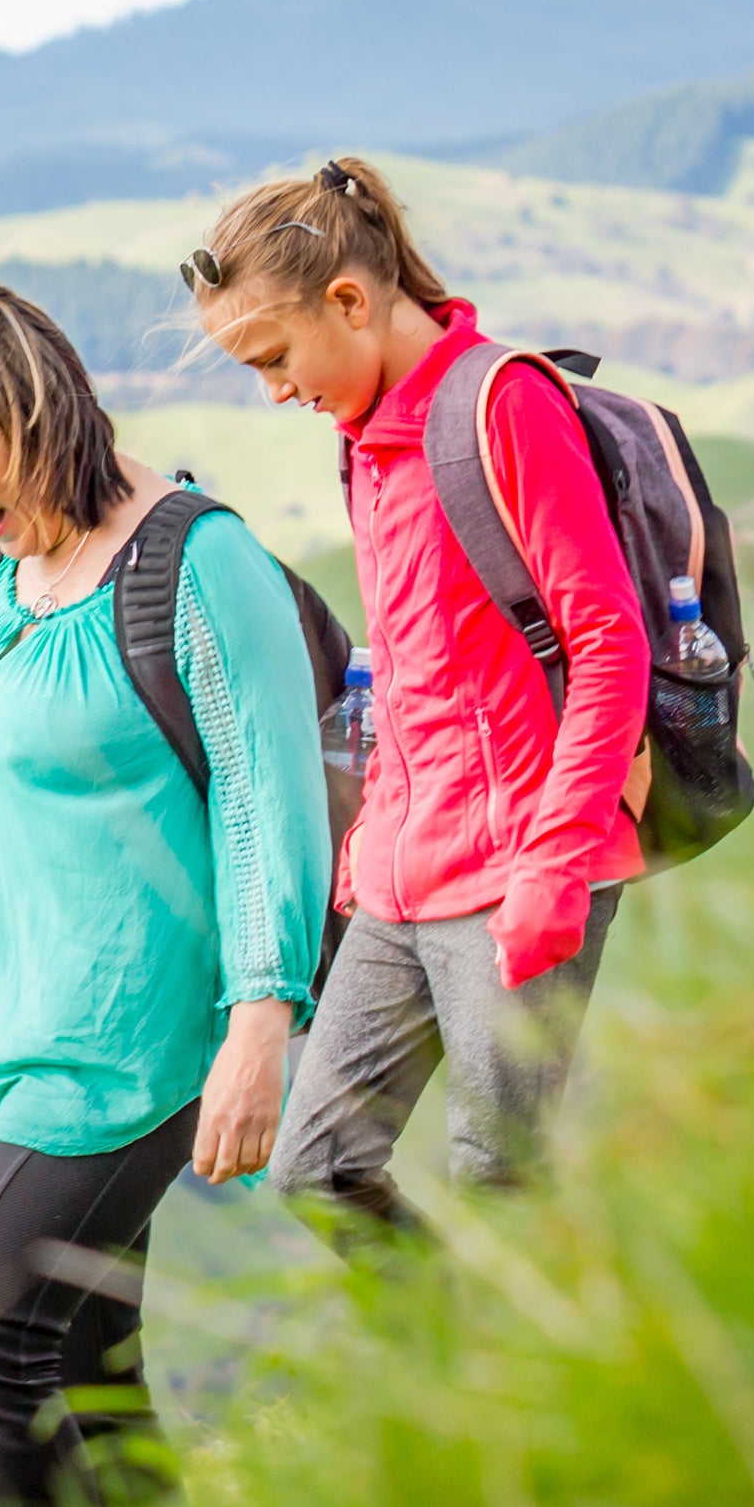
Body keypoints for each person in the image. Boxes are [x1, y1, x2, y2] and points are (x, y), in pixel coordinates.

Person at [0, 276, 334, 1507]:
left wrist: (261, 1018)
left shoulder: (195, 558)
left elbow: (268, 802)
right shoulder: (22, 572)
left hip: (124, 1040)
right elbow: (15, 804)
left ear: (35, 415)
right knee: (82, 1365)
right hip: (13, 1027)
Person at [183, 158, 650, 1241]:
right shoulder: (367, 444)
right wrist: (370, 834)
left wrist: (558, 860)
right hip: (403, 873)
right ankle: (446, 1370)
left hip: (520, 869)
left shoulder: (502, 407)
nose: (274, 389)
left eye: (273, 357)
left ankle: (531, 1403)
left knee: (502, 1185)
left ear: (348, 300)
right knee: (317, 1171)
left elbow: (606, 641)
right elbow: (405, 659)